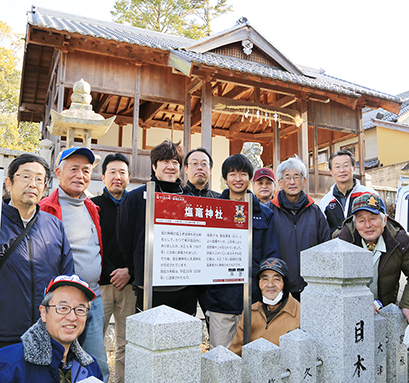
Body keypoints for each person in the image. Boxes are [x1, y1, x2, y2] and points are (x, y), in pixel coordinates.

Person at [39, 146, 109, 382]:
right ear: (58, 172)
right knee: (56, 364)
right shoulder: (45, 208)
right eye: (74, 169)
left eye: (86, 170)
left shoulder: (91, 207)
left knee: (97, 363)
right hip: (62, 303)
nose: (81, 175)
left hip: (94, 298)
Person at [201, 153, 279, 349]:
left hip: (253, 301)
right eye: (232, 174)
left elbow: (271, 256)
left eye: (243, 174)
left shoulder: (264, 214)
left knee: (253, 356)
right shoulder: (213, 211)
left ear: (249, 178)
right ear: (225, 178)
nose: (237, 179)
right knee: (221, 358)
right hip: (220, 301)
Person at [0, 154, 73, 348]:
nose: (33, 184)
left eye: (39, 179)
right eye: (25, 176)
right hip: (4, 334)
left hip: (44, 334)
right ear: (9, 183)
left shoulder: (54, 226)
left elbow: (66, 278)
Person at [118, 140, 197, 314]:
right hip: (149, 284)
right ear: (154, 166)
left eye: (175, 162)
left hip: (185, 285)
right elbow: (124, 239)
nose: (171, 166)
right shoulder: (135, 198)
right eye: (165, 162)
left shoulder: (191, 200)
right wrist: (136, 268)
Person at [0, 274, 103, 382]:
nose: (72, 317)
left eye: (80, 310)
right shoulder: (9, 364)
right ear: (44, 313)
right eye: (63, 308)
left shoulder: (91, 368)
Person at [91, 153, 135, 383]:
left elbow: (142, 243)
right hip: (102, 285)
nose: (117, 177)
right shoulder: (94, 206)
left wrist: (130, 271)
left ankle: (121, 380)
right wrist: (112, 272)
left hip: (130, 285)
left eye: (122, 173)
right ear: (103, 176)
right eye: (112, 172)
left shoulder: (136, 204)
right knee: (93, 338)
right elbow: (92, 243)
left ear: (129, 177)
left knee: (126, 340)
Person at [334, 193, 409, 320]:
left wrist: (407, 304)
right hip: (350, 312)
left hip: (386, 310)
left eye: (373, 218)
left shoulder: (399, 240)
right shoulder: (342, 242)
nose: (367, 225)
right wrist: (359, 302)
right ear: (355, 223)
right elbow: (334, 283)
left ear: (384, 220)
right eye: (361, 220)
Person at [266, 156, 330, 301]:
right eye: (287, 177)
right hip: (278, 288)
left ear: (304, 181)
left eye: (297, 177)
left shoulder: (315, 212)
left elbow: (326, 246)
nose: (292, 182)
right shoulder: (268, 211)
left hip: (312, 287)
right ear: (280, 183)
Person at [229, 258, 300, 356]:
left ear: (285, 283)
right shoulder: (250, 312)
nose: (270, 285)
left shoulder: (300, 314)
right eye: (265, 279)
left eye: (276, 279)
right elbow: (236, 350)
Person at [320, 150, 376, 234]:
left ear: (353, 168)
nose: (342, 170)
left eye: (346, 165)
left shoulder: (369, 195)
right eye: (337, 167)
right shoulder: (325, 201)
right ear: (331, 171)